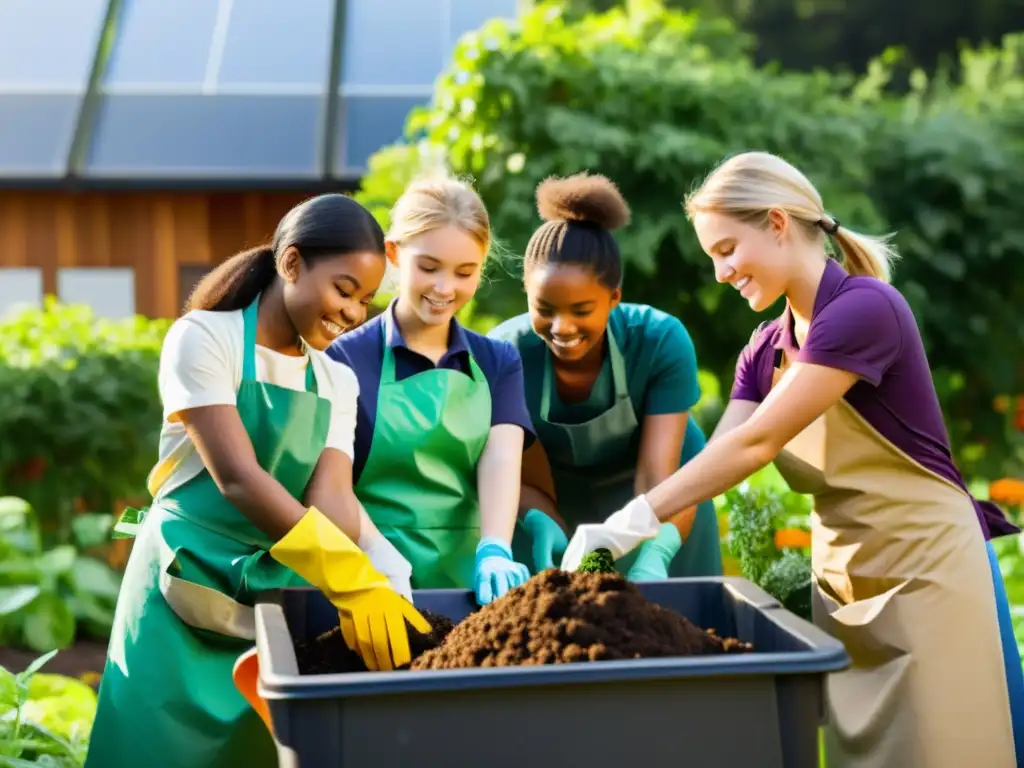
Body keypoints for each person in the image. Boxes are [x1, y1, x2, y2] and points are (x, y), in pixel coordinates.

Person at [560, 152, 1024, 768]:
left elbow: (758, 445)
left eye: (727, 249)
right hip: (847, 583)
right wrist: (657, 544)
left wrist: (627, 521)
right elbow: (723, 454)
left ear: (777, 222)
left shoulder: (864, 311)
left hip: (929, 575)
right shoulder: (764, 349)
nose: (721, 273)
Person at [86, 194, 429, 768]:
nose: (352, 313)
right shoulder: (203, 338)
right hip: (180, 578)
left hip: (267, 594)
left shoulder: (335, 380)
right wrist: (342, 573)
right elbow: (239, 479)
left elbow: (331, 497)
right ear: (291, 264)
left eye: (366, 301)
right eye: (344, 290)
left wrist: (380, 563)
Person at [488, 172, 722, 580]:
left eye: (581, 311)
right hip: (553, 494)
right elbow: (516, 469)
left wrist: (655, 555)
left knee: (672, 626)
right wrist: (541, 519)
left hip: (663, 496)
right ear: (526, 289)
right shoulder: (506, 354)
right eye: (545, 308)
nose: (562, 327)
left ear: (614, 297)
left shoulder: (658, 341)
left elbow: (656, 477)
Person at [328, 176, 534, 606]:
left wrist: (495, 548)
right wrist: (374, 556)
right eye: (429, 267)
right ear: (394, 254)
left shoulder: (498, 362)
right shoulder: (344, 359)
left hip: (469, 593)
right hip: (369, 585)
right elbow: (329, 485)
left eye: (465, 273)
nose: (445, 289)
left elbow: (500, 460)